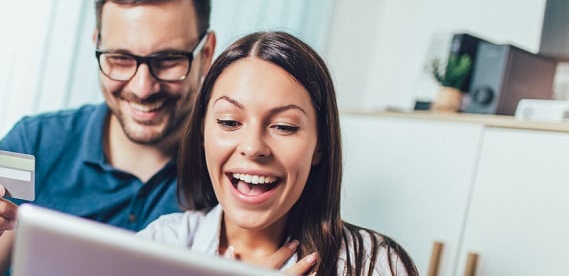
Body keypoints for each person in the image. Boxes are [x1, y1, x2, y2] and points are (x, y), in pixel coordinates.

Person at [0, 0, 219, 275]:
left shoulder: (232, 171)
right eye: (120, 58)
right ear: (97, 43)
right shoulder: (32, 141)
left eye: (168, 60)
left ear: (206, 54)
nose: (143, 87)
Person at [137, 31, 419, 276]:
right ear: (202, 133)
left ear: (320, 145)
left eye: (283, 127)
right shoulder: (159, 245)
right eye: (229, 122)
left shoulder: (372, 264)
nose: (253, 147)